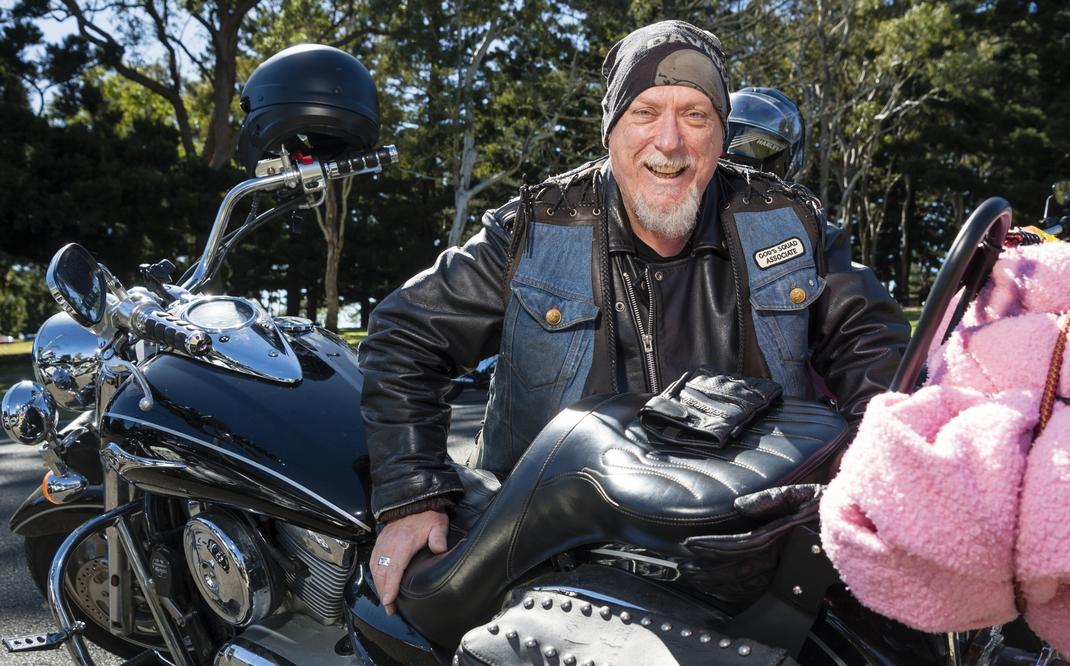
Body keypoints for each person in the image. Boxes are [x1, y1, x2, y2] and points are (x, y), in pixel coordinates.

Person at [359, 19, 910, 614]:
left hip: (743, 556)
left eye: (696, 116)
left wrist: (878, 474)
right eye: (646, 112)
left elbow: (872, 345)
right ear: (611, 130)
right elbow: (403, 334)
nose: (669, 142)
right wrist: (415, 494)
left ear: (722, 135)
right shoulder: (534, 229)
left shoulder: (790, 225)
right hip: (549, 562)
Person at [723, 85, 854, 272]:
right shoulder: (688, 218)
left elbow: (849, 293)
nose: (731, 155)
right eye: (730, 137)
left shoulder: (814, 232)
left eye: (753, 147)